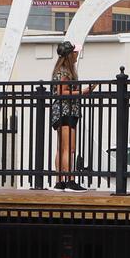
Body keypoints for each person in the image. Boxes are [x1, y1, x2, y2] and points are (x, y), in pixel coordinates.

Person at [49, 40, 91, 189]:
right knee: (70, 148)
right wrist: (83, 92)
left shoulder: (59, 70)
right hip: (66, 111)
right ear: (68, 55)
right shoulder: (65, 71)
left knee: (61, 148)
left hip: (59, 112)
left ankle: (59, 181)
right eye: (74, 52)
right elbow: (62, 91)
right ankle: (70, 180)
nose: (76, 54)